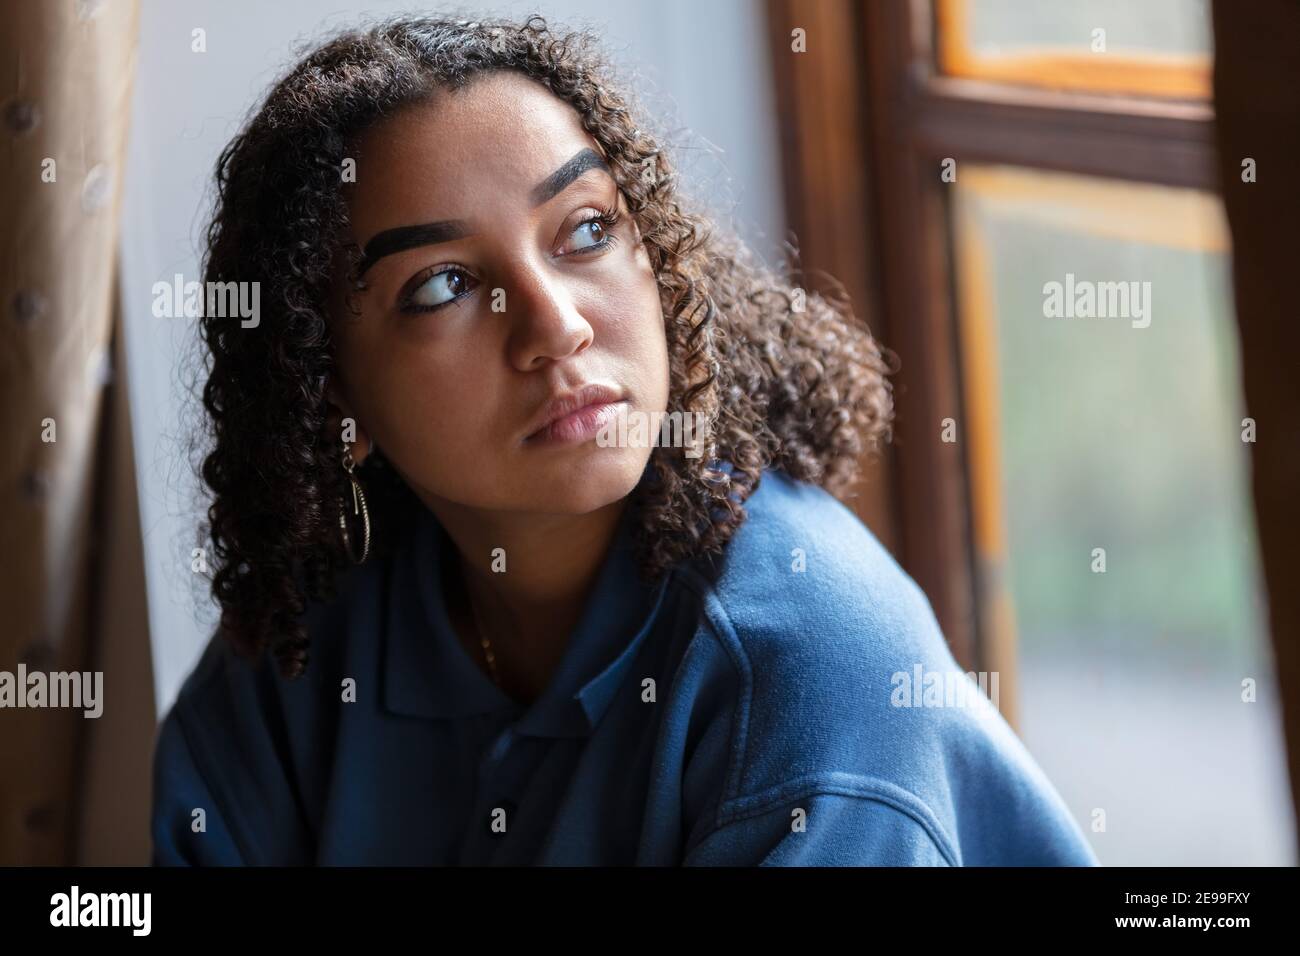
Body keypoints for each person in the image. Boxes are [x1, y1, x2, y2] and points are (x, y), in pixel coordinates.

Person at [151, 13, 1098, 866]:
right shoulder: (309, 652)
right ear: (329, 401)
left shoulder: (812, 669)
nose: (554, 324)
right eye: (441, 285)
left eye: (587, 229)